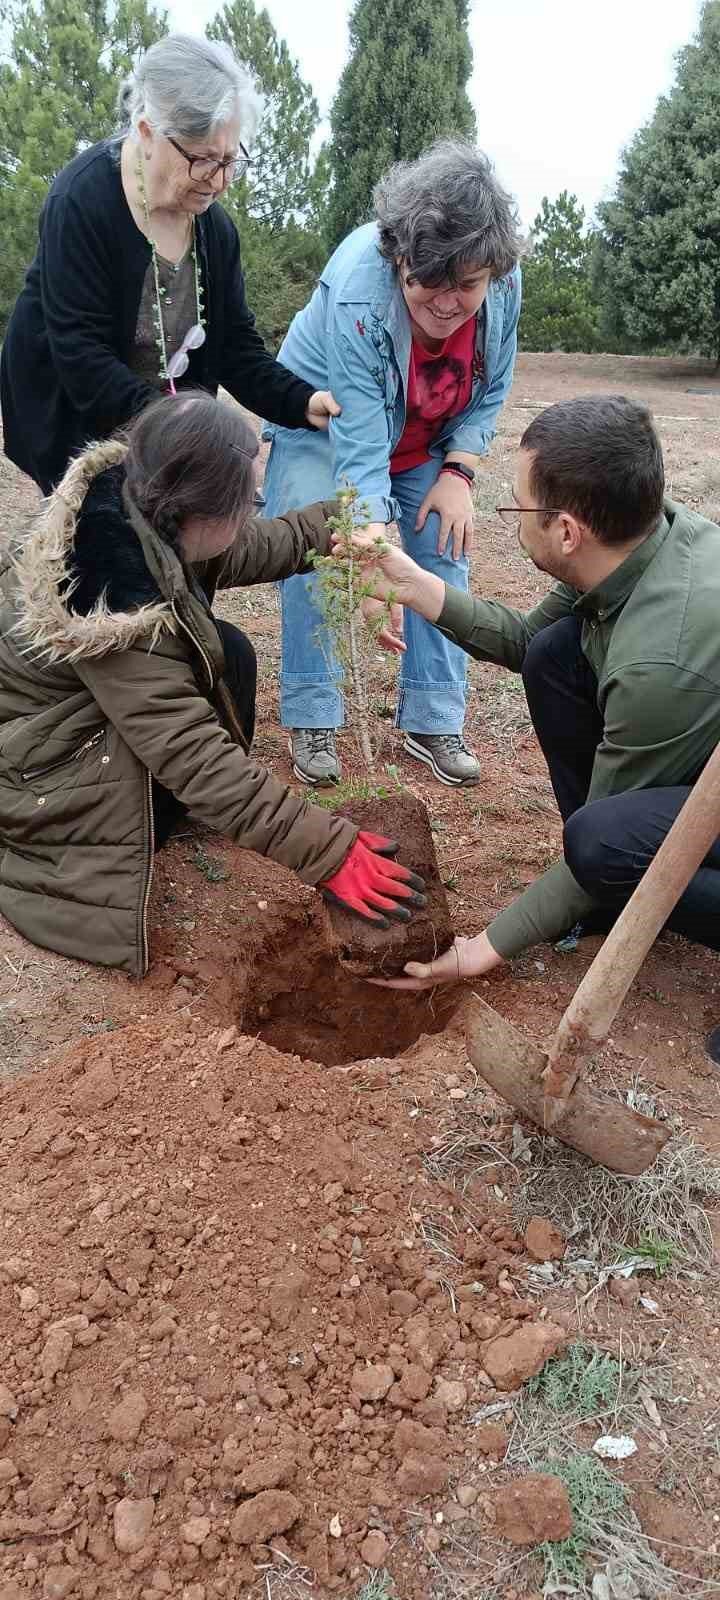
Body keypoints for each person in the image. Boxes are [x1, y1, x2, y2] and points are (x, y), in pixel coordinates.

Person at [0, 392, 425, 977]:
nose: (252, 512)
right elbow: (194, 757)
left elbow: (256, 546)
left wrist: (343, 527)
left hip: (54, 727)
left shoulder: (140, 508)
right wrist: (329, 853)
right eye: (248, 500)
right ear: (199, 510)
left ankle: (174, 813)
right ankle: (148, 826)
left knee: (230, 650)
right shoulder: (112, 596)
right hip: (40, 776)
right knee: (203, 710)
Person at [340, 394, 720, 989]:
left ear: (567, 531)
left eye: (519, 502)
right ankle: (608, 892)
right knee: (555, 655)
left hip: (689, 730)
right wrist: (415, 585)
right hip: (695, 744)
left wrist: (483, 949)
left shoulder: (658, 663)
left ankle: (611, 884)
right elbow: (527, 641)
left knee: (601, 845)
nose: (512, 515)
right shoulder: (635, 539)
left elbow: (610, 835)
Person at [261, 139, 522, 789]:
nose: (446, 303)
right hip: (324, 426)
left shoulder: (503, 283)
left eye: (467, 286)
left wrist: (458, 472)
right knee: (320, 542)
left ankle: (432, 718)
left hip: (426, 433)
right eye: (428, 280)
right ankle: (315, 712)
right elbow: (359, 441)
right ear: (399, 256)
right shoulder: (360, 293)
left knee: (441, 537)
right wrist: (373, 545)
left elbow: (491, 389)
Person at [0, 33, 338, 496]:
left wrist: (302, 401)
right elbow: (81, 356)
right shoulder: (82, 200)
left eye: (229, 160)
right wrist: (183, 429)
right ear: (147, 131)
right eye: (202, 161)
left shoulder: (215, 231)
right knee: (99, 545)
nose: (218, 182)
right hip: (73, 413)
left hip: (165, 427)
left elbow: (235, 348)